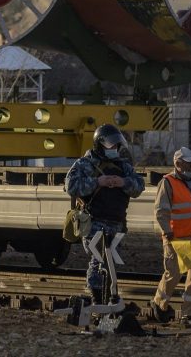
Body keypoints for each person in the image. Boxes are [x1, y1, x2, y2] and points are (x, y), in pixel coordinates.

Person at [63, 123, 146, 305]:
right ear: (99, 144)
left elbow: (139, 186)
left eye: (116, 145)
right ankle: (97, 299)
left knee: (110, 263)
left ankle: (107, 299)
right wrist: (97, 182)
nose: (114, 148)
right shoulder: (85, 164)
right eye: (110, 144)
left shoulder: (123, 166)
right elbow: (71, 186)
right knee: (99, 258)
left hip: (116, 223)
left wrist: (123, 182)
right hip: (93, 222)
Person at [150, 147, 191, 325]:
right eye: (189, 163)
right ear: (178, 164)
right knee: (174, 274)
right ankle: (159, 303)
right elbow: (161, 211)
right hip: (176, 238)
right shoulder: (168, 182)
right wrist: (167, 231)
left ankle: (189, 313)